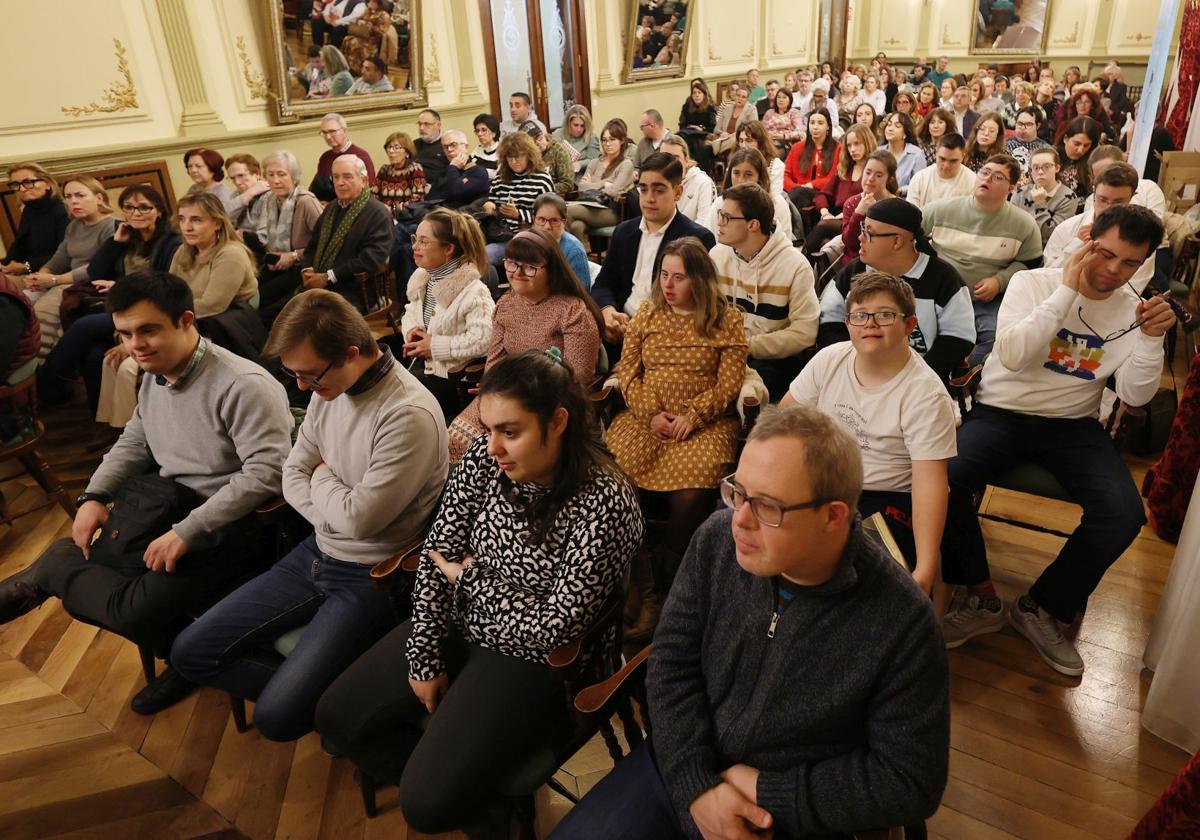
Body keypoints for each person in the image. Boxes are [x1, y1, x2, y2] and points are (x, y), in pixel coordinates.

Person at [548, 403, 950, 840]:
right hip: (679, 766)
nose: (738, 520)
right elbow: (669, 665)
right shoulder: (715, 543)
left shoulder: (902, 621)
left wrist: (769, 791)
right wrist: (697, 786)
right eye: (737, 492)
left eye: (766, 507)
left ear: (833, 516)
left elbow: (909, 780)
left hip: (786, 813)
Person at [315, 349, 642, 835]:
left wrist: (469, 579)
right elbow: (437, 553)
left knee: (426, 807)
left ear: (558, 423)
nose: (492, 447)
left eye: (510, 431)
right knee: (334, 719)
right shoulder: (486, 462)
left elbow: (553, 629)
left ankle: (478, 806)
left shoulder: (604, 500)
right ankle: (483, 801)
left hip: (534, 662)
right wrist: (424, 652)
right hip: (459, 621)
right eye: (489, 429)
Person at [0, 271, 293, 714]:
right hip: (163, 507)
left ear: (186, 321)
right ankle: (181, 656)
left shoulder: (243, 384)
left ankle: (50, 569)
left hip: (230, 525)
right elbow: (135, 441)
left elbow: (267, 475)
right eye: (125, 333)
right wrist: (94, 496)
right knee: (104, 588)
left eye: (149, 330)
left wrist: (188, 530)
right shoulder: (156, 375)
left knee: (124, 608)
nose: (136, 343)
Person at [171, 289, 446, 741]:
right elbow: (291, 472)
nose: (302, 387)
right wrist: (328, 492)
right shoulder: (329, 386)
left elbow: (360, 522)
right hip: (314, 552)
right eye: (293, 374)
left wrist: (320, 479)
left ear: (350, 354)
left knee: (277, 720)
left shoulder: (407, 414)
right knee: (191, 652)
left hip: (371, 575)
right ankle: (325, 695)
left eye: (308, 376)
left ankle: (342, 705)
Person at [939, 206, 1175, 677]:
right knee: (941, 478)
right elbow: (1012, 353)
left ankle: (1042, 605)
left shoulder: (1136, 310)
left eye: (1129, 262)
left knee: (1124, 513)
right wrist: (1066, 289)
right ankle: (980, 594)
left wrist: (1150, 340)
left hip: (1072, 424)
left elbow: (1133, 395)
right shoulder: (1034, 284)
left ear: (1146, 263)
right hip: (1001, 411)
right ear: (1087, 242)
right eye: (1104, 254)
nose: (1112, 270)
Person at [606, 237, 747, 638]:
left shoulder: (725, 318)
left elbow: (729, 383)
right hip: (646, 416)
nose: (669, 285)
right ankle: (638, 585)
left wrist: (694, 415)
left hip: (704, 422)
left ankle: (671, 584)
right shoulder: (648, 312)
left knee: (690, 491)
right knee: (617, 481)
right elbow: (627, 371)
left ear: (699, 280)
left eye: (679, 278)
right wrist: (652, 414)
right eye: (664, 275)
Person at [787, 271, 955, 593]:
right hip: (825, 482)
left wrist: (925, 569)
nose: (870, 324)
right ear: (848, 323)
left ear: (910, 324)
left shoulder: (926, 394)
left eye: (885, 315)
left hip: (886, 496)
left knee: (859, 579)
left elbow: (930, 484)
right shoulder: (829, 360)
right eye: (860, 315)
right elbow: (789, 421)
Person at [448, 229, 603, 460]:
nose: (517, 273)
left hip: (553, 403)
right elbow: (496, 361)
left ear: (551, 269)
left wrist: (521, 395)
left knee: (504, 449)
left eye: (530, 266)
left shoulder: (572, 311)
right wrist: (492, 386)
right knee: (455, 441)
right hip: (506, 395)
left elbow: (577, 378)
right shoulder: (506, 304)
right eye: (511, 264)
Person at [39, 185, 182, 412]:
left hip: (150, 309)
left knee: (83, 326)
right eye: (129, 208)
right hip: (125, 306)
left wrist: (120, 285)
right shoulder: (128, 236)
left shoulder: (170, 242)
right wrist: (116, 241)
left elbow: (165, 285)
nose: (136, 213)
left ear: (159, 211)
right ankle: (104, 421)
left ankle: (45, 388)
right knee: (95, 354)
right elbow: (95, 272)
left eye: (144, 208)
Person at [819, 198, 974, 382]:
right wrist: (859, 365)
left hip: (919, 384)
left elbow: (958, 339)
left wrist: (912, 377)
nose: (860, 238)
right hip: (856, 376)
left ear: (897, 241)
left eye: (869, 233)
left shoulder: (942, 278)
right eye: (862, 229)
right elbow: (828, 325)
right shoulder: (853, 272)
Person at [921, 153, 1042, 363]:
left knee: (997, 337)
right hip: (939, 293)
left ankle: (965, 374)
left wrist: (1000, 281)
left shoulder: (1023, 224)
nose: (986, 179)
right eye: (984, 172)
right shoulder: (943, 209)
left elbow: (1031, 264)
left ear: (1011, 187)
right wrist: (929, 262)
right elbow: (909, 232)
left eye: (998, 177)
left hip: (985, 299)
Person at [590, 153, 715, 353]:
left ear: (678, 193)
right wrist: (608, 312)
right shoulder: (624, 231)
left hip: (668, 340)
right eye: (643, 189)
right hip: (621, 328)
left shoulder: (696, 239)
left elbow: (699, 304)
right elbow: (604, 282)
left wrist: (644, 330)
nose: (649, 198)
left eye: (659, 190)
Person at [710, 183, 818, 400]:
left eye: (727, 218)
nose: (719, 223)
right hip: (721, 349)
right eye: (720, 214)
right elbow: (704, 312)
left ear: (753, 225)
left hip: (772, 359)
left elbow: (805, 332)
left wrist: (748, 346)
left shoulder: (795, 266)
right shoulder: (717, 255)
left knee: (742, 391)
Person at [262, 155, 392, 320]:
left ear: (364, 180)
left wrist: (329, 276)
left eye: (347, 176)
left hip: (355, 290)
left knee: (299, 321)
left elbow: (371, 259)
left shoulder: (377, 213)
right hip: (320, 281)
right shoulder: (332, 208)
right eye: (335, 177)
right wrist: (308, 269)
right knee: (271, 315)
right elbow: (312, 246)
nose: (339, 182)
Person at [399, 209, 495, 422]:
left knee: (391, 399)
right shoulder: (423, 277)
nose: (414, 247)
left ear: (448, 249)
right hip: (427, 371)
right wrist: (412, 331)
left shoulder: (474, 290)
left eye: (424, 242)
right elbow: (409, 313)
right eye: (415, 239)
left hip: (453, 382)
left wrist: (434, 346)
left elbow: (484, 340)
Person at [20, 176, 119, 358]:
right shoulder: (74, 226)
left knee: (40, 314)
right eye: (69, 196)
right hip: (64, 281)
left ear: (99, 198)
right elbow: (59, 259)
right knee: (20, 303)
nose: (74, 201)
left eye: (80, 195)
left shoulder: (112, 226)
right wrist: (40, 277)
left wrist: (54, 280)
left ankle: (40, 368)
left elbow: (97, 267)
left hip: (89, 284)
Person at [479, 131, 556, 268]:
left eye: (518, 157)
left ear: (529, 155)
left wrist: (519, 215)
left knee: (484, 256)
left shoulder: (542, 179)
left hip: (529, 237)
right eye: (509, 157)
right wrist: (489, 205)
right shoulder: (500, 178)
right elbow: (492, 200)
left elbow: (550, 218)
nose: (514, 162)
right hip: (499, 234)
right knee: (471, 254)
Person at [805, 123, 874, 255]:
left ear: (867, 143)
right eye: (849, 145)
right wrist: (825, 213)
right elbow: (822, 195)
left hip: (857, 219)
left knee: (822, 227)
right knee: (824, 241)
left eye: (857, 144)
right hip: (834, 217)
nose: (852, 149)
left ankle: (800, 262)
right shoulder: (844, 169)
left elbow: (871, 200)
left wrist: (835, 218)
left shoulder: (872, 172)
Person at [566, 119, 637, 244]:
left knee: (565, 211)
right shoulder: (595, 162)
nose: (607, 144)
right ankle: (579, 261)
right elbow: (581, 186)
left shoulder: (626, 164)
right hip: (589, 205)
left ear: (622, 141)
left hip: (610, 210)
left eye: (612, 139)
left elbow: (614, 191)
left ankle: (563, 258)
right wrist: (605, 183)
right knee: (576, 226)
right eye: (604, 140)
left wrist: (592, 184)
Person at [703, 149, 794, 243]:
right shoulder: (720, 203)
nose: (741, 180)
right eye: (736, 173)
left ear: (760, 177)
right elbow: (709, 238)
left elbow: (785, 242)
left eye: (748, 174)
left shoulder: (777, 204)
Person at [1, 163, 69, 278]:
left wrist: (27, 266)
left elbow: (66, 255)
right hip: (29, 270)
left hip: (55, 273)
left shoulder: (63, 211)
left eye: (28, 182)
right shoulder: (30, 209)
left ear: (47, 184)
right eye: (16, 184)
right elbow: (20, 244)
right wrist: (5, 264)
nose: (21, 189)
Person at [839, 149, 899, 265]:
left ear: (889, 179)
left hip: (885, 265)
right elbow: (850, 243)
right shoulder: (851, 203)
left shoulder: (896, 206)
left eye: (879, 175)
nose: (871, 178)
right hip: (855, 264)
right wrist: (859, 213)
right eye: (867, 172)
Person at [1010, 148, 1080, 247]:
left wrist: (1040, 204)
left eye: (1046, 166)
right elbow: (1010, 225)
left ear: (1057, 168)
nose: (1040, 172)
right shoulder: (1021, 192)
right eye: (1035, 167)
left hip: (1047, 251)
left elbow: (1049, 235)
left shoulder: (1068, 197)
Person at [310, 113, 376, 202]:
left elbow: (365, 191)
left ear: (345, 131)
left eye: (332, 131)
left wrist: (332, 205)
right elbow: (316, 188)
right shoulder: (325, 157)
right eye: (324, 133)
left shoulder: (360, 156)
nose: (328, 137)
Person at [783, 107, 838, 212]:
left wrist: (812, 185)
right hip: (797, 194)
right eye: (812, 123)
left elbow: (834, 178)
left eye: (820, 123)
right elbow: (785, 176)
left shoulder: (838, 149)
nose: (815, 127)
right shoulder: (797, 148)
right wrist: (798, 188)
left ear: (828, 126)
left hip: (823, 195)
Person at [532, 193, 590, 288]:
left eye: (554, 220)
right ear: (534, 219)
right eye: (541, 219)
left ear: (564, 222)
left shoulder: (574, 250)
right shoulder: (527, 243)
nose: (547, 227)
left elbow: (581, 294)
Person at [906, 132, 974, 209]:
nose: (946, 165)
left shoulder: (973, 181)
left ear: (963, 157)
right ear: (936, 153)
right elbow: (911, 215)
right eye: (942, 159)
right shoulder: (919, 179)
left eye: (953, 161)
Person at [659, 135, 716, 224]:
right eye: (665, 157)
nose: (670, 163)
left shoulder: (704, 183)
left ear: (686, 159)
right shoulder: (657, 181)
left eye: (676, 158)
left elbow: (705, 222)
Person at [372, 131, 427, 217]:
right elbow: (373, 195)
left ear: (407, 152)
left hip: (405, 218)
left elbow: (418, 199)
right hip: (383, 216)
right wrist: (381, 208)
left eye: (396, 147)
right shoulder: (384, 170)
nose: (391, 151)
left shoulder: (414, 169)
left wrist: (393, 209)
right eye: (389, 147)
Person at [223, 154, 273, 240]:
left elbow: (264, 236)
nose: (237, 182)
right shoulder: (236, 195)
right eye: (232, 178)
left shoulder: (269, 195)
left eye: (241, 175)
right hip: (238, 244)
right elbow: (222, 218)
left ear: (257, 174)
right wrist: (250, 193)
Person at [879, 112, 927, 195]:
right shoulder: (878, 152)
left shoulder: (917, 154)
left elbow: (920, 184)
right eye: (889, 125)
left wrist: (900, 191)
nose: (890, 129)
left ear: (905, 134)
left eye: (897, 126)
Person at [1054, 116, 1101, 199]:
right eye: (1076, 144)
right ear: (1065, 139)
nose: (1080, 150)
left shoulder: (1093, 162)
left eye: (1086, 145)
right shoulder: (1050, 156)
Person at [1004, 106, 1050, 187]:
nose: (1022, 128)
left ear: (1037, 126)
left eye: (1028, 124)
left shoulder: (1046, 150)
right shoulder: (1003, 145)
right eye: (1020, 123)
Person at [183, 148, 238, 217]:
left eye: (198, 166)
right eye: (190, 166)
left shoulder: (222, 192)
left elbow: (224, 220)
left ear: (212, 169)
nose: (193, 170)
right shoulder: (193, 188)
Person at [735, 121, 785, 195]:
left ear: (760, 142)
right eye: (741, 140)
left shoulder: (775, 165)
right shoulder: (735, 162)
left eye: (749, 140)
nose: (744, 145)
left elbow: (775, 197)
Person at [526, 122, 575, 196]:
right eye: (534, 143)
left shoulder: (559, 151)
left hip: (554, 196)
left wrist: (543, 190)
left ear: (543, 134)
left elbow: (568, 184)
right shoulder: (525, 156)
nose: (539, 144)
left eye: (540, 138)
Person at [553, 104, 601, 178]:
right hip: (560, 176)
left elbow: (594, 160)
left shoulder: (592, 137)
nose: (579, 129)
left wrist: (579, 164)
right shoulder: (557, 135)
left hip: (581, 178)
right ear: (568, 123)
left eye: (582, 126)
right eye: (575, 125)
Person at [708, 84, 755, 159]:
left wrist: (731, 136)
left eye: (743, 97)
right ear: (735, 96)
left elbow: (753, 129)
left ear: (747, 99)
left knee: (734, 143)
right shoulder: (727, 108)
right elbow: (716, 129)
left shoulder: (751, 109)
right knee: (705, 150)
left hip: (738, 140)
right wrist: (722, 133)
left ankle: (717, 148)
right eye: (738, 95)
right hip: (722, 138)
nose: (740, 98)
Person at [413, 109, 449, 193]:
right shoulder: (414, 145)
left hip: (440, 191)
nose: (421, 128)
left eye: (426, 124)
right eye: (420, 124)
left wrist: (433, 186)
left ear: (438, 125)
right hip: (416, 190)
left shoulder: (448, 144)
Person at [762, 88, 804, 152]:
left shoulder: (795, 113)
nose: (780, 100)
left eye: (784, 97)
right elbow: (762, 130)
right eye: (778, 97)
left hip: (786, 144)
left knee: (777, 153)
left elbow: (799, 132)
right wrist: (768, 135)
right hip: (769, 143)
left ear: (790, 100)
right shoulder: (769, 113)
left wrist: (784, 136)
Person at [471, 113, 502, 180]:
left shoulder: (503, 150)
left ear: (493, 133)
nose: (479, 134)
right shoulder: (477, 149)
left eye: (484, 130)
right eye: (477, 130)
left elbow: (500, 175)